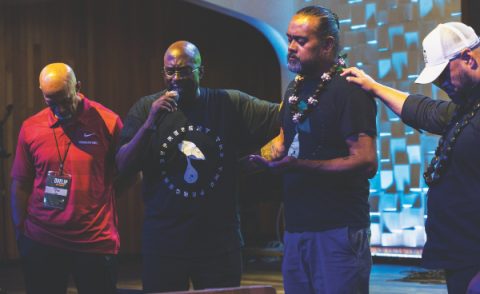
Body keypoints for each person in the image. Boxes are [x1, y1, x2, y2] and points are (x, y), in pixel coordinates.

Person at [115, 40, 280, 292]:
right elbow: (123, 165)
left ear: (200, 72)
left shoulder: (228, 103)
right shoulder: (146, 109)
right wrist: (150, 124)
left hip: (218, 244)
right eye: (170, 71)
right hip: (164, 243)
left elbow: (285, 115)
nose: (176, 78)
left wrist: (268, 152)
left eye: (184, 70)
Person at [342, 22, 480, 294]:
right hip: (463, 259)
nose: (440, 84)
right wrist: (374, 87)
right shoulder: (467, 106)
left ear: (467, 57)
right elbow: (424, 111)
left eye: (443, 74)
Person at [249, 5, 378, 294]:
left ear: (328, 45)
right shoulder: (295, 88)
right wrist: (259, 159)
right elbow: (286, 138)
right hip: (297, 229)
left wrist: (299, 166)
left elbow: (366, 160)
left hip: (338, 229)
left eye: (301, 40)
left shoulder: (349, 89)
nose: (291, 47)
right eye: (289, 38)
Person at [10, 63, 123, 294]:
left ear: (78, 87)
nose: (61, 108)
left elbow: (129, 175)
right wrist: (20, 232)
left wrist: (99, 198)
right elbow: (20, 184)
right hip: (42, 241)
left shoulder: (108, 122)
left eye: (65, 99)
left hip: (94, 242)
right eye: (52, 102)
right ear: (42, 93)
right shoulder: (31, 128)